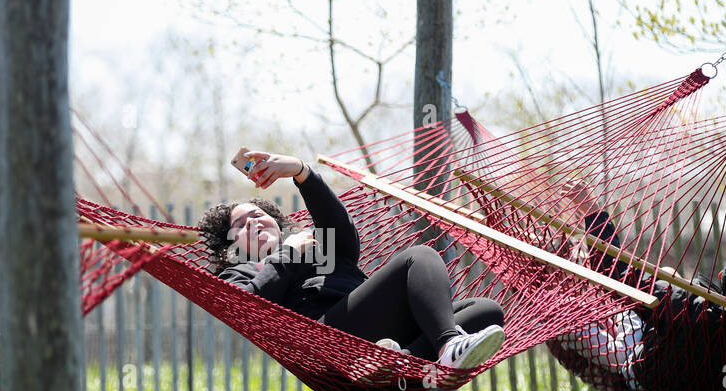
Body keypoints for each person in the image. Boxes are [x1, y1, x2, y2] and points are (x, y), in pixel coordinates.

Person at [197, 150, 507, 378]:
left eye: (256, 214)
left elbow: (340, 228)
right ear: (230, 245)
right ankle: (448, 345)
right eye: (239, 225)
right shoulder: (237, 272)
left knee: (488, 311)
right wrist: (287, 255)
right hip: (330, 339)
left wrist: (301, 170)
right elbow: (251, 309)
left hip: (378, 332)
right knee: (420, 256)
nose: (251, 222)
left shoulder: (315, 244)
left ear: (276, 222)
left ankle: (395, 364)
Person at [553, 181, 726, 391]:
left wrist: (593, 212)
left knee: (635, 299)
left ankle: (566, 287)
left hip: (649, 390)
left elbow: (618, 278)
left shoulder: (683, 306)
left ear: (722, 277)